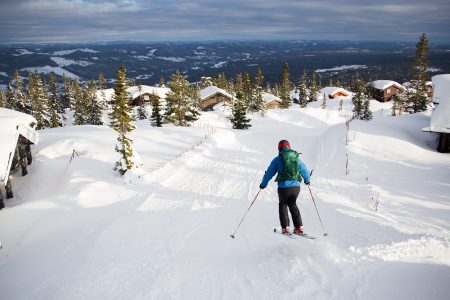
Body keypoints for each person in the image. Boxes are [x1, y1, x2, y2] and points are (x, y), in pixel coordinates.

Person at [259, 140, 311, 235]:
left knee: (283, 204)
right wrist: (307, 180)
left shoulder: (277, 159)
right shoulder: (296, 159)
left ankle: (285, 228)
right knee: (293, 204)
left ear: (279, 148)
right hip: (296, 187)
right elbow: (305, 170)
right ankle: (299, 227)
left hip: (283, 188)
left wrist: (263, 184)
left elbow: (269, 173)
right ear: (289, 147)